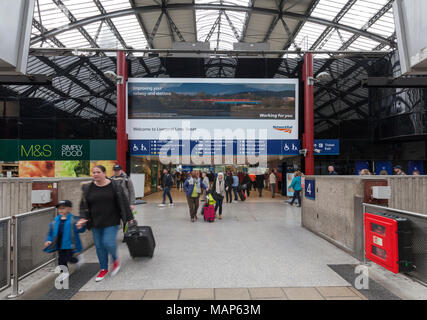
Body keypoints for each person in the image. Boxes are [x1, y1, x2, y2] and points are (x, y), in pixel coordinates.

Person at [76, 165, 134, 282]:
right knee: (99, 246)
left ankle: (115, 259)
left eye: (98, 172)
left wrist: (129, 217)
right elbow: (83, 205)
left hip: (111, 220)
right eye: (93, 172)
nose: (95, 174)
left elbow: (123, 202)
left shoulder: (115, 186)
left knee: (107, 242)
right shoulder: (88, 188)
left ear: (104, 173)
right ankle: (103, 268)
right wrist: (82, 218)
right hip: (95, 221)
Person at [44, 200, 85, 272]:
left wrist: (80, 227)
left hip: (70, 245)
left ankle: (78, 259)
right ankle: (64, 275)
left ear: (69, 209)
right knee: (61, 262)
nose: (60, 210)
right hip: (60, 245)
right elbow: (51, 233)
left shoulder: (74, 219)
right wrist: (49, 240)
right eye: (59, 208)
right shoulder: (55, 220)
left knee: (70, 259)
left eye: (63, 208)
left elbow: (81, 230)